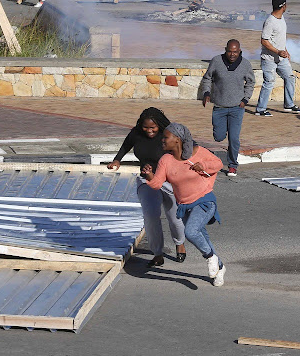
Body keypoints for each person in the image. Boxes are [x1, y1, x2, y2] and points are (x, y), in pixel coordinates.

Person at [142, 123, 226, 286]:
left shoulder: (197, 152)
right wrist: (150, 175)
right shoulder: (165, 160)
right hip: (185, 206)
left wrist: (203, 166)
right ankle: (220, 267)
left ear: (177, 140)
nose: (162, 140)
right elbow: (158, 183)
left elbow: (218, 163)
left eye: (166, 137)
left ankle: (210, 257)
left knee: (190, 232)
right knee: (202, 237)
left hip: (204, 201)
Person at [108, 108, 186, 268]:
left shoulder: (169, 134)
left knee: (174, 217)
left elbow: (184, 150)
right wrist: (117, 160)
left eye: (153, 127)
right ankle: (157, 254)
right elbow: (126, 145)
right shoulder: (136, 133)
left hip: (169, 181)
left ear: (160, 125)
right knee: (150, 217)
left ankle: (180, 243)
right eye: (146, 127)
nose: (149, 131)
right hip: (146, 180)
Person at [201, 39, 255, 177]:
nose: (232, 54)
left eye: (235, 52)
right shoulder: (216, 61)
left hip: (237, 108)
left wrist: (245, 99)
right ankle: (221, 132)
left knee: (234, 138)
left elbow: (250, 82)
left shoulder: (245, 65)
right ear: (225, 50)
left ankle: (232, 165)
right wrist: (206, 93)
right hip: (219, 106)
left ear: (240, 52)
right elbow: (207, 78)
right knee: (218, 137)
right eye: (230, 51)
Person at [255, 0, 300, 116]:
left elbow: (279, 38)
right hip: (269, 59)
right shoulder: (270, 21)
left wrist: (285, 50)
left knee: (290, 77)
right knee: (269, 82)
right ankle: (260, 109)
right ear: (283, 6)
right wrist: (278, 51)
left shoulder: (281, 18)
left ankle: (289, 104)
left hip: (281, 58)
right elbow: (264, 40)